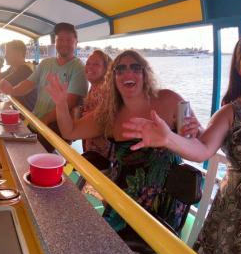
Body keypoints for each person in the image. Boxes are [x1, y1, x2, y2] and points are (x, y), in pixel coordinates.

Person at [122, 32, 241, 254]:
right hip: (233, 220)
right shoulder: (230, 113)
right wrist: (168, 139)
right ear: (239, 67)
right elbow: (202, 150)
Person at [45, 50, 201, 240]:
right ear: (113, 78)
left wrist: (194, 131)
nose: (128, 73)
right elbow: (70, 131)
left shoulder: (171, 100)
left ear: (145, 74)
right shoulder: (109, 113)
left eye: (136, 67)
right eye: (120, 69)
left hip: (165, 201)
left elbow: (196, 139)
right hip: (124, 199)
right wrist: (61, 104)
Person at [0, 22, 88, 152]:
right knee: (17, 149)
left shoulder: (79, 68)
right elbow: (28, 84)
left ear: (76, 42)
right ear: (55, 42)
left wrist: (45, 120)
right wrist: (12, 90)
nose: (64, 43)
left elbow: (70, 102)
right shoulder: (46, 63)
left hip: (57, 126)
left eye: (68, 40)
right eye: (60, 39)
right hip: (37, 120)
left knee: (32, 155)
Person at [80, 50, 114, 168]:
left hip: (100, 153)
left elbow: (102, 122)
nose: (89, 67)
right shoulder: (96, 87)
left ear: (106, 69)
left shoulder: (101, 90)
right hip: (95, 150)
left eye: (96, 64)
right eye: (88, 63)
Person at [0, 40, 37, 111]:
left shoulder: (25, 69)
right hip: (17, 108)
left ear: (19, 54)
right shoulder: (13, 68)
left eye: (8, 52)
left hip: (27, 113)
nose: (5, 56)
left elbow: (1, 86)